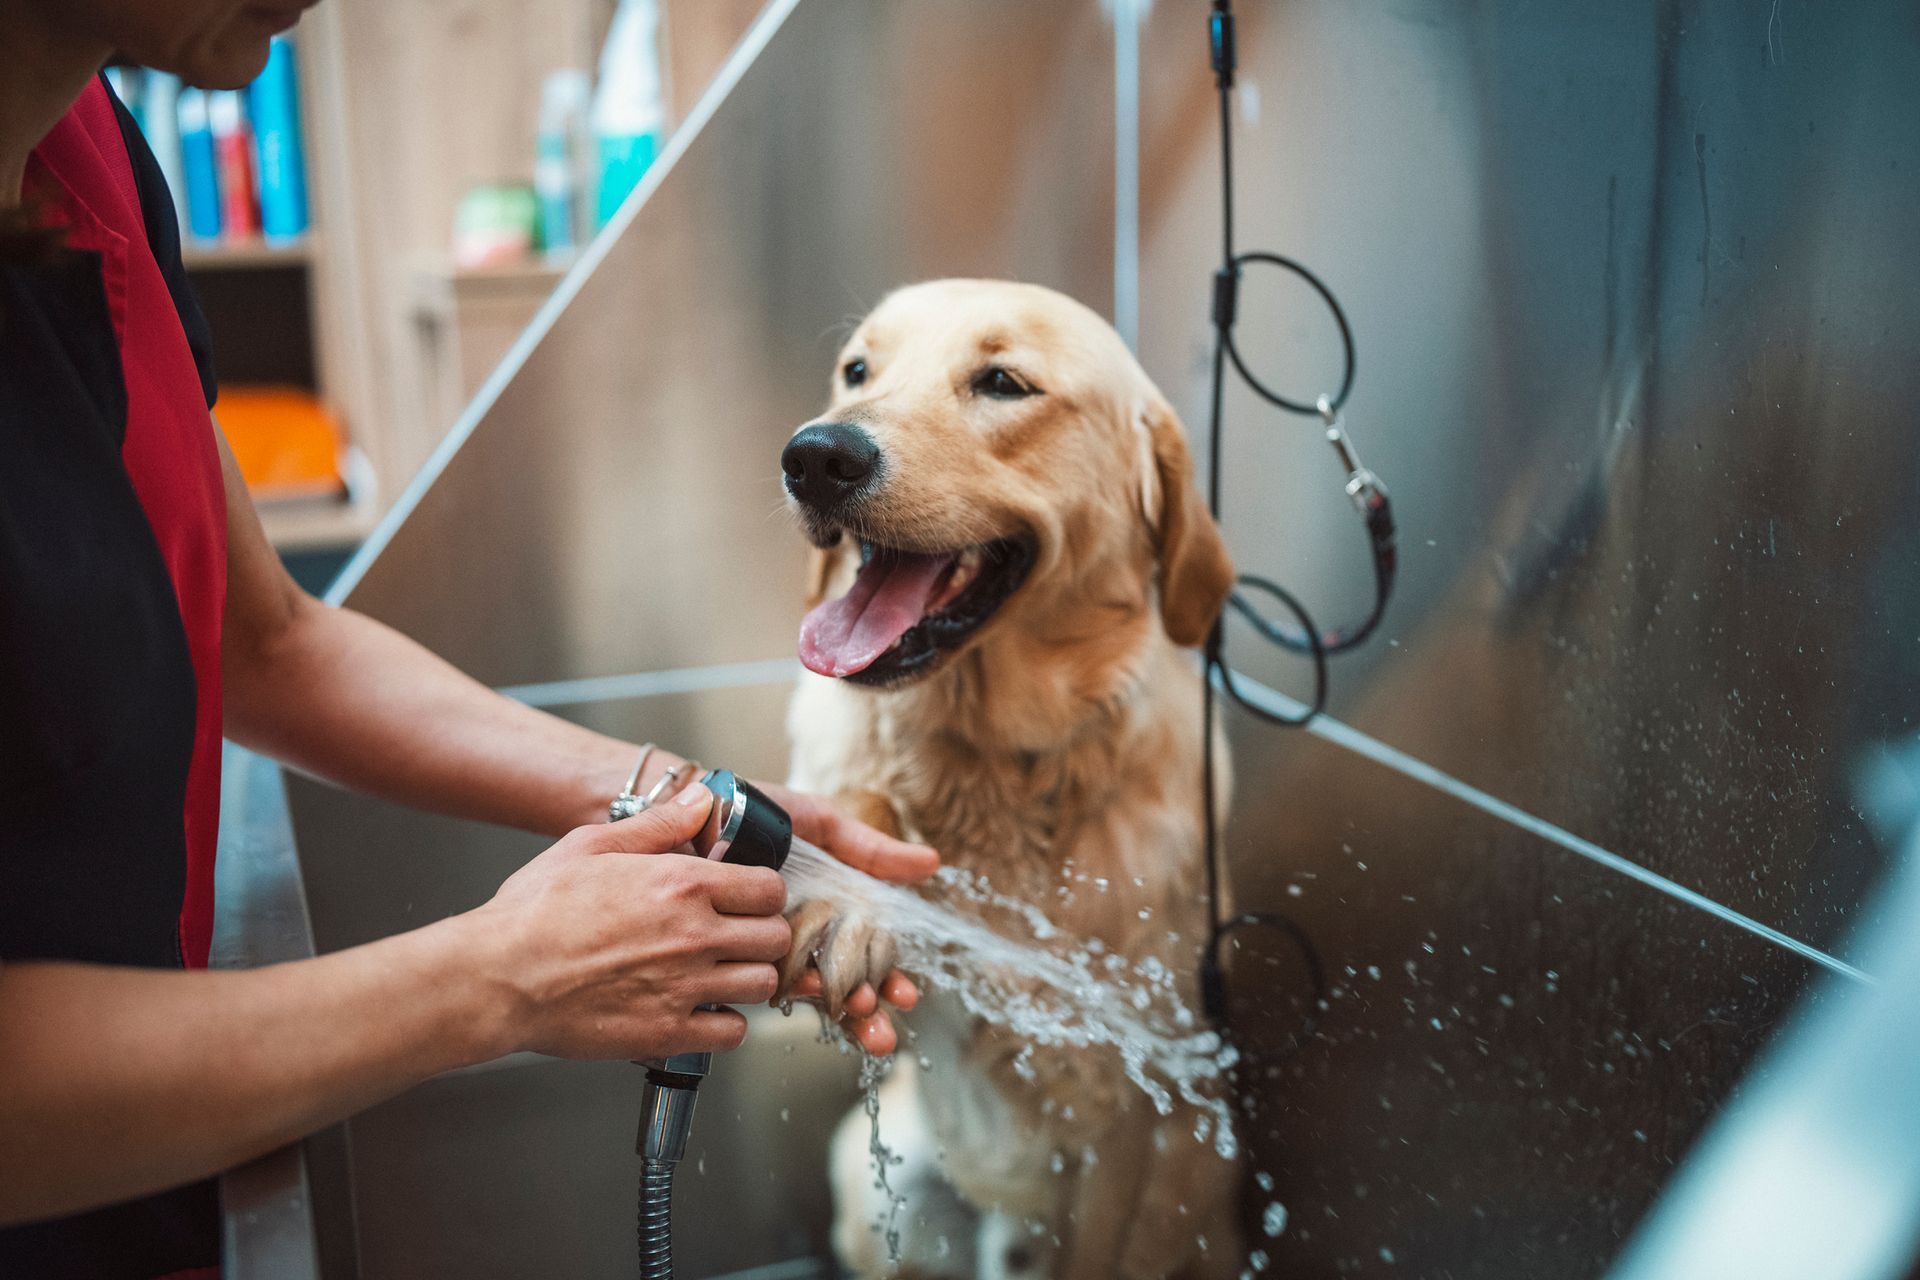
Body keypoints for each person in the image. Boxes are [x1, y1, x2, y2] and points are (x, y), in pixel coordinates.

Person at [0, 1, 937, 1275]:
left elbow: (267, 640)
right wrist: (498, 978)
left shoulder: (91, 152)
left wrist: (690, 797)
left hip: (150, 1184)